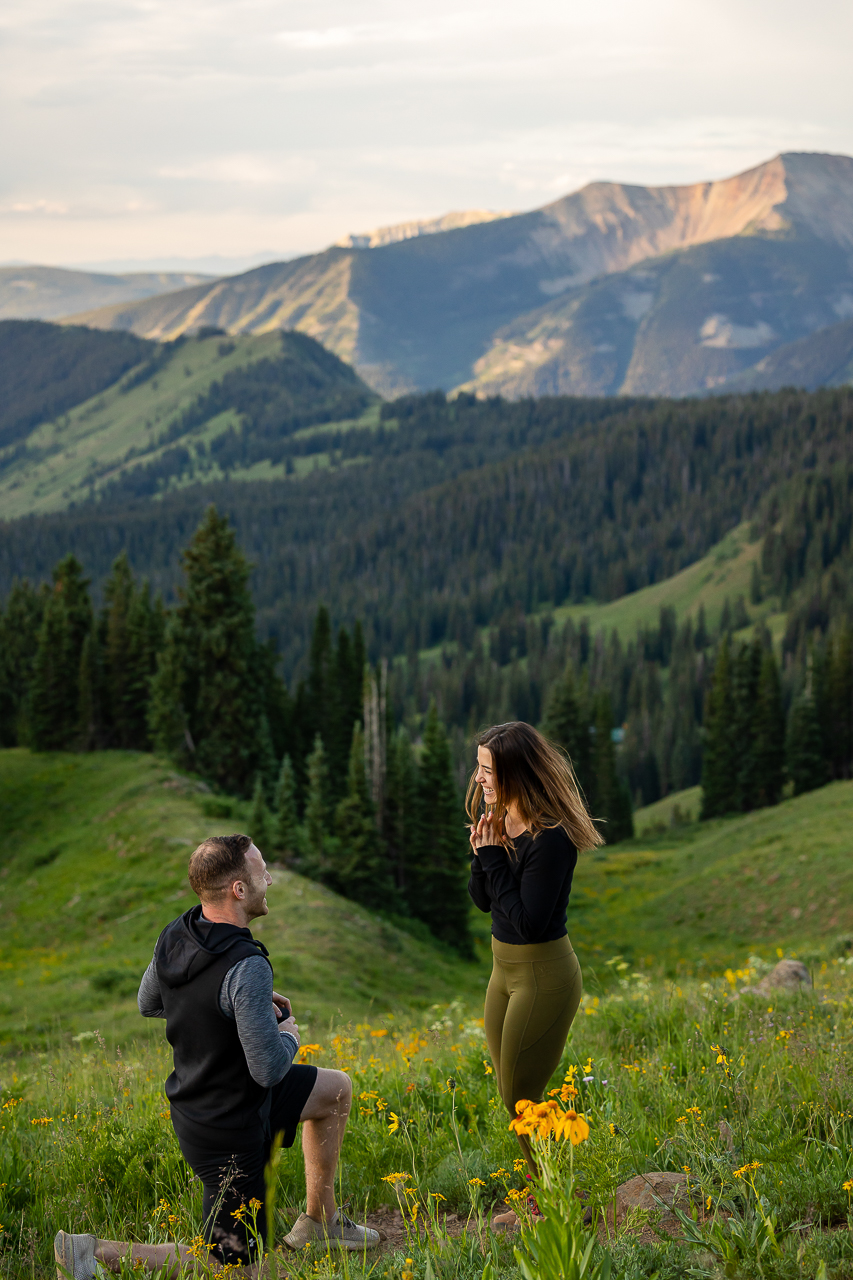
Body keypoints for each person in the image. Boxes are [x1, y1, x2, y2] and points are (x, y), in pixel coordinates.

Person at [55, 833, 378, 1279]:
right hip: (230, 1130)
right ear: (238, 889)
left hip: (214, 1099)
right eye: (261, 870)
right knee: (230, 1266)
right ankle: (93, 1252)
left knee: (334, 1091)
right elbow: (268, 1068)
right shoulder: (246, 965)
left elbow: (149, 1001)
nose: (270, 878)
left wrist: (236, 1009)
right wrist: (285, 1033)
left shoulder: (177, 933)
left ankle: (321, 1223)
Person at [467, 721, 603, 1220]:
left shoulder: (552, 839)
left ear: (515, 773)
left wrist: (491, 856)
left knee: (518, 1094)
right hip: (504, 973)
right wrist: (485, 854)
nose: (478, 778)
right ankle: (548, 1192)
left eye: (487, 770)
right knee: (514, 1093)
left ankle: (558, 1196)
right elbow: (483, 901)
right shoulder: (500, 819)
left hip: (544, 974)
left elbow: (529, 922)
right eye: (479, 767)